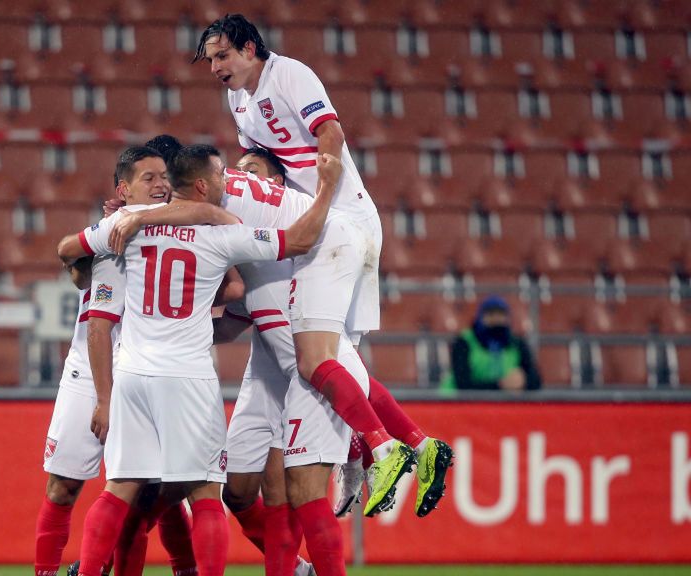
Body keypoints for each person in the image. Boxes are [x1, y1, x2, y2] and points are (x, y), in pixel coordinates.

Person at [193, 14, 453, 519]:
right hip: (316, 228)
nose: (216, 68)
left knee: (324, 359)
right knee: (338, 360)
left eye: (222, 55)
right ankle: (408, 451)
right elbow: (266, 159)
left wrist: (323, 203)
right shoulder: (237, 100)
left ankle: (381, 453)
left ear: (249, 47)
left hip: (342, 222)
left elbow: (329, 134)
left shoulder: (290, 74)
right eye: (210, 60)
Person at [58, 147, 343, 576]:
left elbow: (67, 248)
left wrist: (92, 249)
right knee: (206, 494)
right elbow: (299, 239)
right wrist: (325, 190)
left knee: (118, 490)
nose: (231, 187)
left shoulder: (125, 225)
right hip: (187, 376)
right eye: (223, 180)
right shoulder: (222, 235)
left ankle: (89, 571)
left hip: (132, 374)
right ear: (201, 187)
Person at [36, 147, 195, 576]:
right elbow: (75, 267)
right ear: (123, 190)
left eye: (165, 176)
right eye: (150, 177)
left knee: (151, 495)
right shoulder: (110, 234)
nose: (161, 184)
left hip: (148, 371)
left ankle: (176, 568)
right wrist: (104, 399)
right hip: (90, 370)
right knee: (64, 485)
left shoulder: (185, 232)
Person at [442, 295, 542, 392]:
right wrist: (500, 385)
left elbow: (535, 381)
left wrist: (523, 382)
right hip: (461, 404)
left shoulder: (517, 344)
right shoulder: (463, 343)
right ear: (480, 317)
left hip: (504, 404)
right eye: (491, 315)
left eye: (501, 315)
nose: (496, 319)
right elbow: (463, 385)